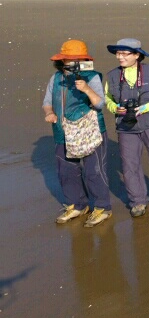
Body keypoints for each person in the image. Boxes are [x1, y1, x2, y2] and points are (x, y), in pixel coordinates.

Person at [42, 40, 112, 227]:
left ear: (84, 60)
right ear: (62, 60)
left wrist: (86, 89)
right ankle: (78, 205)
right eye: (70, 59)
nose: (74, 63)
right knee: (66, 171)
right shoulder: (56, 78)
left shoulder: (92, 77)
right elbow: (47, 102)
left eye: (78, 59)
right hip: (62, 131)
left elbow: (100, 103)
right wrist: (49, 113)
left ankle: (102, 207)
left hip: (90, 131)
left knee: (94, 170)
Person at [104, 38, 149, 217]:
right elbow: (107, 98)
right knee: (129, 165)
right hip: (125, 126)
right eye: (118, 53)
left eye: (124, 53)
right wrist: (114, 108)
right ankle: (138, 202)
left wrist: (146, 107)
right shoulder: (112, 76)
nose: (120, 57)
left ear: (137, 55)